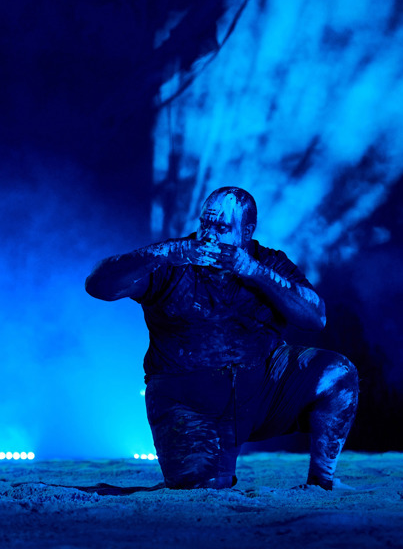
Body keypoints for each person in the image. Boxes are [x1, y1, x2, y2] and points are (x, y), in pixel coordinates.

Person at [85, 186, 358, 490]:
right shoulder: (173, 260)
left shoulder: (267, 262)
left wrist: (252, 270)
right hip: (186, 400)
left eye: (222, 228)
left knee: (337, 373)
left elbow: (316, 316)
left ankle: (322, 482)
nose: (209, 236)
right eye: (205, 224)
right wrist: (165, 252)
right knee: (206, 487)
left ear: (246, 232)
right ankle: (206, 468)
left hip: (263, 389)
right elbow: (99, 286)